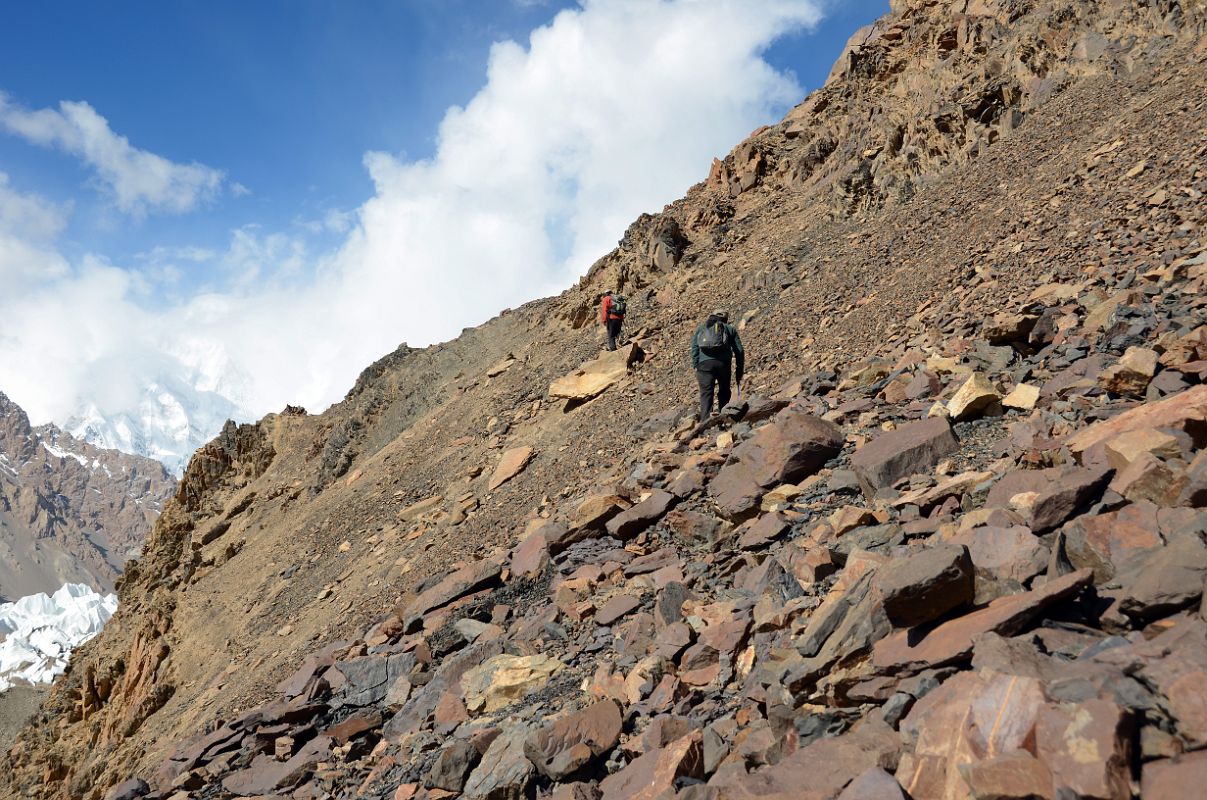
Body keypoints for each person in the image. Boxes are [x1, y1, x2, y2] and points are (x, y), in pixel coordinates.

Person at [691, 309, 744, 418]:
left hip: (704, 366)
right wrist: (739, 370)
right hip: (723, 364)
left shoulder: (702, 328)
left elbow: (694, 348)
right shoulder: (729, 329)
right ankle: (724, 417)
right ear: (726, 319)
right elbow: (739, 350)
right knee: (724, 391)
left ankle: (705, 422)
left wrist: (696, 364)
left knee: (706, 394)